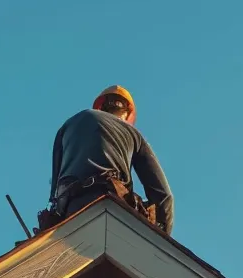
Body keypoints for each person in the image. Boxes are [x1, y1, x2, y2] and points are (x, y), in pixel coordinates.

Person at [43, 85, 174, 233]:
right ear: (126, 114)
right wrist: (160, 239)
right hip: (112, 204)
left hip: (70, 207)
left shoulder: (69, 124)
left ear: (101, 106)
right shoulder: (132, 133)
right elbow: (163, 195)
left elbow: (55, 186)